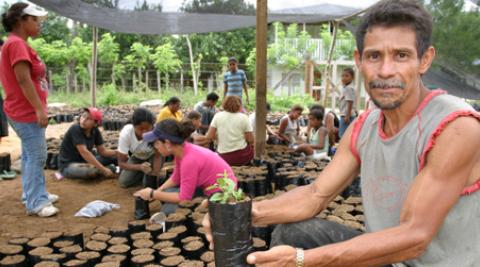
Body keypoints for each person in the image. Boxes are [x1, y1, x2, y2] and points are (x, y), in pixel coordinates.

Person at [203, 1, 480, 266]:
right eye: (374, 56)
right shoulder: (366, 125)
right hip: (390, 260)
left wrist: (302, 260)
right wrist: (237, 214)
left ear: (425, 60)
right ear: (359, 60)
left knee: (298, 251)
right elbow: (315, 195)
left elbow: (414, 237)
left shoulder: (456, 127)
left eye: (401, 55)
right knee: (292, 233)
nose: (385, 71)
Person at [0, 3, 59, 217]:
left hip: (24, 110)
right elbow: (23, 80)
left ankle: (33, 193)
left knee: (29, 155)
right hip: (25, 112)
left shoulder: (17, 43)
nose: (38, 24)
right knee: (37, 155)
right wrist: (39, 109)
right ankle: (36, 202)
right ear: (20, 21)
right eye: (35, 20)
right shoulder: (16, 45)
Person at [134, 119, 238, 215]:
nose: (155, 148)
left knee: (168, 210)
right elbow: (176, 177)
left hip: (222, 196)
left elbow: (184, 198)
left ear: (168, 144)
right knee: (167, 193)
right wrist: (158, 190)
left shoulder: (189, 160)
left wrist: (152, 194)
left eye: (156, 143)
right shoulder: (183, 150)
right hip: (211, 188)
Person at [58, 108, 117, 180]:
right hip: (69, 166)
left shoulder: (95, 131)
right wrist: (103, 169)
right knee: (91, 171)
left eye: (89, 119)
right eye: (83, 116)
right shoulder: (75, 128)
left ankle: (111, 170)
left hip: (86, 162)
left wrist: (118, 153)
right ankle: (108, 169)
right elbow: (84, 152)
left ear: (95, 123)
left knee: (114, 157)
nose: (83, 120)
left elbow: (102, 151)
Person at [199, 95, 254, 166]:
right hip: (241, 156)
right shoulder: (244, 117)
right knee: (252, 148)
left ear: (224, 104)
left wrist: (218, 137)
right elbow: (251, 140)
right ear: (239, 105)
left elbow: (209, 137)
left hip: (223, 157)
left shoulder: (218, 116)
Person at [117, 108, 163, 188]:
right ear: (133, 126)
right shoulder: (126, 134)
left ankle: (148, 174)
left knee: (149, 184)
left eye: (148, 129)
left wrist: (155, 174)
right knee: (123, 182)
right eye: (141, 129)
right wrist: (139, 167)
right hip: (138, 157)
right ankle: (143, 172)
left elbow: (158, 155)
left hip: (153, 157)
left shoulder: (155, 132)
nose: (144, 132)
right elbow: (121, 163)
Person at [338, 67, 356, 138]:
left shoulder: (348, 88)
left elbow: (350, 102)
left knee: (343, 135)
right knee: (346, 135)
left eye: (347, 76)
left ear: (352, 78)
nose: (344, 78)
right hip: (345, 114)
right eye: (342, 76)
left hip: (346, 116)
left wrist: (347, 116)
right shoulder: (346, 87)